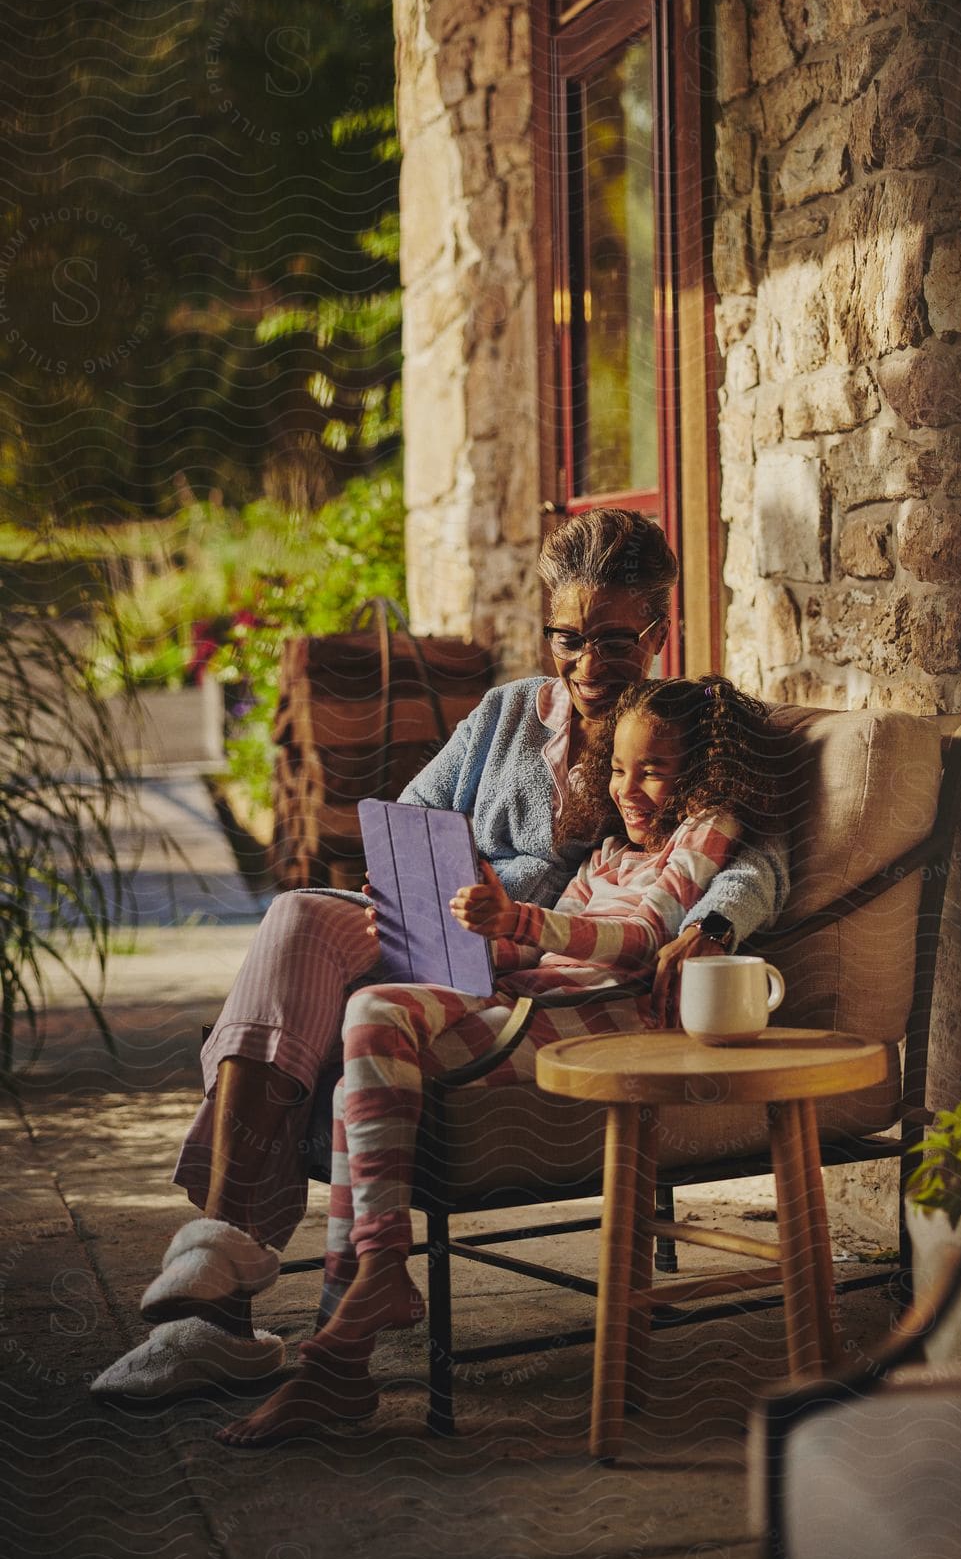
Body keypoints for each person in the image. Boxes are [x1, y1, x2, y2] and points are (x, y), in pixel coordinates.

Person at [91, 510, 790, 1400]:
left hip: (525, 961)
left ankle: (213, 1307)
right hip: (430, 925)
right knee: (301, 919)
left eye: (613, 641)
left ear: (658, 628)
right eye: (568, 638)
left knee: (307, 978)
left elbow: (757, 849)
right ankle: (215, 1285)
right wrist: (445, 874)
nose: (586, 665)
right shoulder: (505, 714)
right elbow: (412, 819)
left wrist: (716, 926)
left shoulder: (676, 728)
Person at [215, 674, 777, 1445]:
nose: (628, 789)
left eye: (652, 769)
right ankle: (348, 1342)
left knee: (374, 1020)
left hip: (599, 1024)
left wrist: (521, 918)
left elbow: (638, 938)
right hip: (537, 1006)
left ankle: (358, 1319)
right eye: (618, 768)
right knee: (364, 1047)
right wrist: (480, 925)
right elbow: (542, 943)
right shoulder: (606, 853)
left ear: (703, 772)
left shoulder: (706, 831)